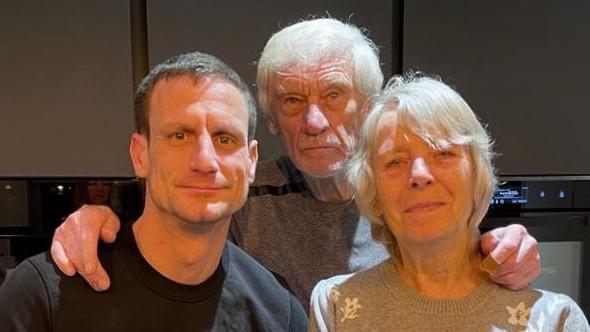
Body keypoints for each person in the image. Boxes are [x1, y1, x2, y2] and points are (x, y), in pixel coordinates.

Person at [50, 18, 540, 308]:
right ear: (269, 122)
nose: (312, 121)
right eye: (290, 101)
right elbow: (155, 216)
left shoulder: (409, 192)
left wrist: (504, 250)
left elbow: (472, 261)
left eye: (333, 95)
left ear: (368, 107)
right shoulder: (237, 187)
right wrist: (94, 217)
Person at [0, 52, 307, 331]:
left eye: (225, 139)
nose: (204, 161)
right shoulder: (42, 295)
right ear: (140, 155)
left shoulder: (281, 315)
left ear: (251, 161)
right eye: (179, 135)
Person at [309, 74, 589, 331]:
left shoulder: (555, 320)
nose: (419, 175)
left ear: (477, 174)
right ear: (374, 191)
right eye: (395, 161)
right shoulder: (336, 306)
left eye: (442, 153)